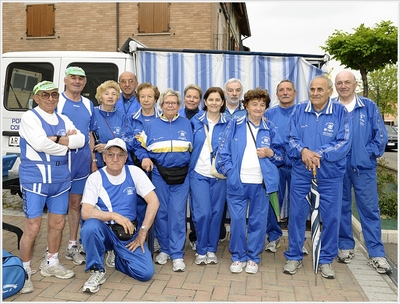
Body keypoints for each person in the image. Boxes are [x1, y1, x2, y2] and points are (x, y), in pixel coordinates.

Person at [18, 81, 85, 293]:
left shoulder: (62, 118)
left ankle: (51, 263)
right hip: (35, 180)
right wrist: (64, 144)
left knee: (58, 224)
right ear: (36, 98)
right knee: (33, 227)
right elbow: (39, 143)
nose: (50, 99)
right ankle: (24, 270)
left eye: (54, 94)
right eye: (45, 95)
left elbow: (81, 140)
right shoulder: (30, 117)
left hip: (60, 181)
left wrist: (55, 139)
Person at [283, 75, 351, 279]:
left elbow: (344, 141)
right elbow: (289, 139)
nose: (315, 93)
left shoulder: (340, 112)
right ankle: (294, 256)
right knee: (296, 216)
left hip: (330, 176)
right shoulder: (299, 110)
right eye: (312, 89)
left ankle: (326, 260)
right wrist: (303, 151)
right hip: (302, 174)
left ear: (330, 91)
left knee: (330, 218)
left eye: (320, 89)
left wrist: (318, 153)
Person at [216, 88, 285, 274]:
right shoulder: (235, 124)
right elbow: (222, 154)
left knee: (258, 221)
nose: (258, 107)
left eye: (262, 104)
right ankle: (238, 256)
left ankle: (253, 257)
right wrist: (231, 173)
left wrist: (270, 153)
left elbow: (281, 157)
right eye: (254, 104)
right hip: (237, 182)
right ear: (246, 105)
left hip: (261, 184)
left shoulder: (270, 127)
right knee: (237, 220)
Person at [80, 138, 159, 293]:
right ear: (104, 157)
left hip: (128, 233)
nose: (115, 159)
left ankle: (118, 256)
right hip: (105, 231)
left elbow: (154, 202)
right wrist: (114, 216)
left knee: (145, 273)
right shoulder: (95, 178)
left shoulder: (134, 172)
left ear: (126, 157)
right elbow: (85, 212)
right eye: (110, 155)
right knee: (90, 227)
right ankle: (97, 270)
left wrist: (143, 231)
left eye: (119, 155)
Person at [334, 70, 392, 275]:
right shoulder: (331, 107)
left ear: (355, 84)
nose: (343, 86)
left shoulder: (369, 106)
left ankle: (376, 253)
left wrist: (365, 154)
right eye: (339, 83)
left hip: (363, 168)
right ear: (335, 85)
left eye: (347, 82)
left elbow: (380, 137)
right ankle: (345, 247)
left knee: (369, 209)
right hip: (337, 168)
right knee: (341, 208)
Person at [138, 88, 193, 272]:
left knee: (177, 213)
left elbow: (195, 150)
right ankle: (165, 249)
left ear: (179, 106)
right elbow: (139, 146)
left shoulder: (187, 124)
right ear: (161, 105)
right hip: (159, 176)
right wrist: (144, 157)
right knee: (160, 213)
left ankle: (177, 254)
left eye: (174, 103)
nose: (170, 105)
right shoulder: (151, 125)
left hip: (182, 176)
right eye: (167, 102)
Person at [56, 66, 98, 266]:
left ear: (85, 82)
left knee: (75, 204)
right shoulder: (57, 101)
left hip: (82, 162)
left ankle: (72, 245)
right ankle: (51, 248)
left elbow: (90, 134)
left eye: (81, 79)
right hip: (61, 161)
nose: (77, 81)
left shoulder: (89, 104)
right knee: (57, 207)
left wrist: (93, 160)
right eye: (73, 78)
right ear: (65, 80)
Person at [264, 80, 308, 255]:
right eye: (281, 90)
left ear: (295, 93)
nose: (285, 93)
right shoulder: (269, 114)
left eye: (288, 89)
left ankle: (298, 241)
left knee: (299, 206)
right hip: (276, 167)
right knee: (274, 204)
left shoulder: (303, 113)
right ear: (277, 94)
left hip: (299, 166)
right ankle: (273, 238)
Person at [189, 87, 229, 265]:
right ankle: (201, 249)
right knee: (202, 213)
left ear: (222, 103)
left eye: (217, 100)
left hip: (220, 176)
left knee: (216, 213)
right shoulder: (194, 122)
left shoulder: (229, 123)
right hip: (198, 174)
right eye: (210, 99)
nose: (214, 103)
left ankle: (211, 249)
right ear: (205, 102)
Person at [218, 78, 247, 244]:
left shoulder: (247, 111)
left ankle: (239, 239)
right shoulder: (217, 109)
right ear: (225, 92)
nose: (234, 93)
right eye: (230, 90)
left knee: (238, 205)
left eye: (237, 90)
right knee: (219, 204)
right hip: (221, 164)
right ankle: (220, 233)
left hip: (240, 167)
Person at [178, 84, 203, 251]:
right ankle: (177, 240)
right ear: (184, 98)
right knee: (178, 207)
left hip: (196, 168)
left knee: (197, 206)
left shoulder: (204, 118)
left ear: (200, 100)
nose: (192, 99)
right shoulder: (175, 115)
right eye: (189, 96)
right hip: (177, 168)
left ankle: (195, 237)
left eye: (195, 97)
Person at [92, 80, 128, 168]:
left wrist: (108, 146)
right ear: (100, 97)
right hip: (96, 162)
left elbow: (127, 139)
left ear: (117, 98)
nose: (110, 96)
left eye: (113, 94)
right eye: (106, 94)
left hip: (116, 162)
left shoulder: (122, 117)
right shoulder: (92, 113)